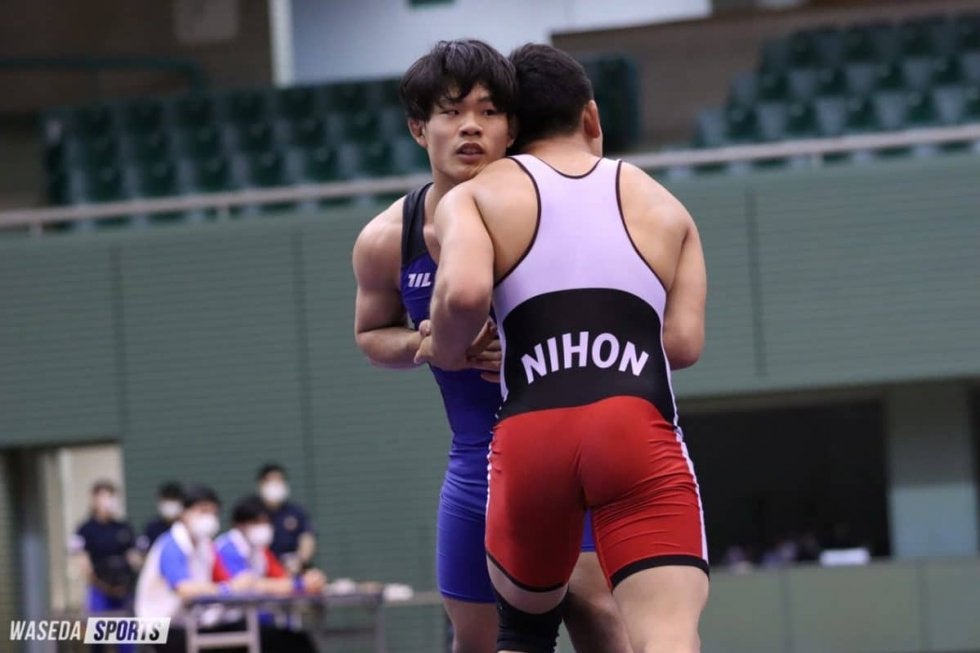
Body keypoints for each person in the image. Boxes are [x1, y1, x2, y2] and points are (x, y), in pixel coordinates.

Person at [421, 43, 709, 652]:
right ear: (591, 117)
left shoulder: (476, 197)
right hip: (635, 422)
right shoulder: (665, 204)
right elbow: (683, 345)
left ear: (510, 129)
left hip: (531, 433)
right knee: (665, 634)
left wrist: (446, 348)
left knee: (523, 635)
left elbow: (465, 294)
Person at [352, 39, 629, 652]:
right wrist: (425, 341)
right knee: (475, 640)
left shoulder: (558, 213)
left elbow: (625, 312)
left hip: (569, 449)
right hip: (474, 462)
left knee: (597, 611)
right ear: (419, 129)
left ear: (512, 128)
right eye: (451, 112)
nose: (471, 127)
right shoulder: (387, 240)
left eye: (488, 111)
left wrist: (543, 337)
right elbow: (371, 337)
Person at [135, 485, 250, 653]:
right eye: (203, 511)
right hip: (158, 627)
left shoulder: (205, 545)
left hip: (189, 622)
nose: (209, 518)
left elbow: (226, 580)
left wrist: (238, 584)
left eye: (213, 513)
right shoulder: (171, 544)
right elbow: (185, 590)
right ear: (184, 513)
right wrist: (226, 588)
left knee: (241, 629)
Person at [213, 495, 325, 653]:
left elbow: (281, 579)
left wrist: (307, 581)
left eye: (266, 522)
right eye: (257, 522)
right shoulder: (226, 548)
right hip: (219, 621)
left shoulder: (260, 550)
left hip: (254, 619)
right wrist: (300, 584)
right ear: (239, 524)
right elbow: (248, 585)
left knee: (298, 640)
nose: (263, 527)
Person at [70, 480, 138, 653]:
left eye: (111, 497)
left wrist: (125, 584)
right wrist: (103, 585)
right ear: (94, 500)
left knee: (126, 636)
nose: (108, 501)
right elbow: (82, 561)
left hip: (123, 591)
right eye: (104, 497)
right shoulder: (85, 529)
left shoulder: (123, 528)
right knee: (98, 635)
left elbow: (133, 558)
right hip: (99, 590)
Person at [256, 463, 316, 574]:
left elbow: (307, 539)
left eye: (279, 481)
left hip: (293, 568)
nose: (275, 485)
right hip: (261, 569)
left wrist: (299, 561)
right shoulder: (254, 512)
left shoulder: (296, 512)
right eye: (271, 481)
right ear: (261, 484)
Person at [137, 481, 185, 555]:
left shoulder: (186, 526)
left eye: (173, 499)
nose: (170, 504)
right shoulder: (152, 528)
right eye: (167, 499)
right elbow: (141, 552)